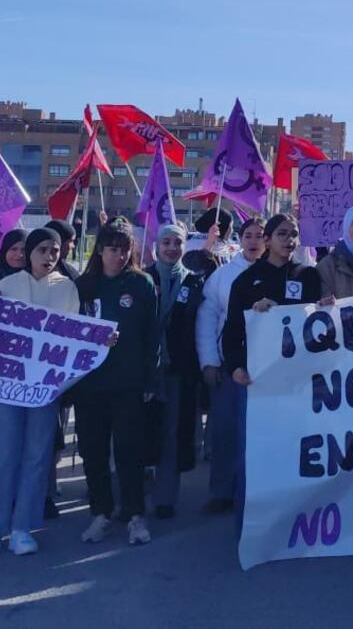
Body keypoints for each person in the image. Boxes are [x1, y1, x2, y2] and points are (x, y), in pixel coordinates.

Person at [0, 226, 83, 556]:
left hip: (45, 386)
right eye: (42, 251)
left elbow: (73, 336)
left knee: (37, 454)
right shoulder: (7, 286)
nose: (49, 257)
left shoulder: (67, 288)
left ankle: (23, 526)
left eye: (54, 251)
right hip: (9, 384)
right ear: (30, 253)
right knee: (3, 450)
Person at [222, 214, 324, 512]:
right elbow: (232, 331)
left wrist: (327, 311)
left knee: (297, 446)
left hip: (298, 379)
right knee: (258, 449)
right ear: (267, 239)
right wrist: (236, 367)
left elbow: (318, 323)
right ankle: (253, 515)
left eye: (293, 234)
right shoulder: (245, 281)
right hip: (259, 379)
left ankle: (296, 512)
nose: (289, 240)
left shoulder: (307, 275)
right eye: (282, 233)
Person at [76, 225, 160, 546]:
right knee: (93, 451)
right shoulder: (83, 285)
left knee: (129, 451)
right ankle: (100, 513)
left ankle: (135, 514)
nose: (119, 255)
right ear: (99, 250)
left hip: (128, 383)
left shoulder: (141, 283)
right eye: (112, 249)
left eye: (124, 249)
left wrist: (150, 379)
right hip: (90, 384)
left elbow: (152, 336)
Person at [197, 216, 267, 514]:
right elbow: (208, 318)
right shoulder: (224, 276)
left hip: (270, 367)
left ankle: (260, 489)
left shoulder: (283, 272)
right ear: (240, 239)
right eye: (248, 235)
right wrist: (210, 361)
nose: (254, 241)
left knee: (263, 432)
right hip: (231, 365)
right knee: (225, 430)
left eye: (260, 235)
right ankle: (222, 490)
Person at [149, 223, 207, 521]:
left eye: (178, 242)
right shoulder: (141, 277)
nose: (172, 248)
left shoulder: (195, 283)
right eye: (166, 242)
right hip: (144, 370)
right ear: (157, 245)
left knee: (172, 434)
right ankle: (129, 495)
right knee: (139, 432)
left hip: (178, 371)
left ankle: (165, 498)